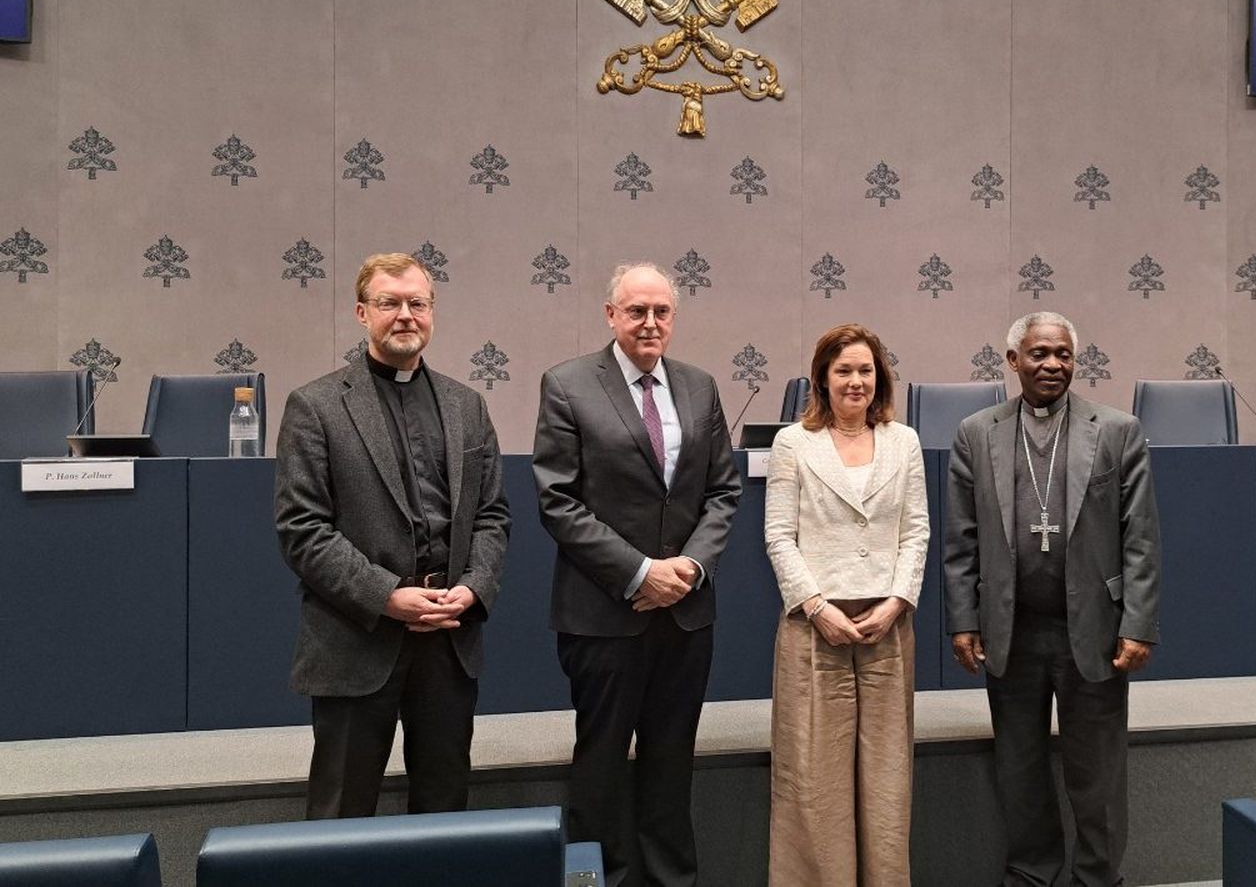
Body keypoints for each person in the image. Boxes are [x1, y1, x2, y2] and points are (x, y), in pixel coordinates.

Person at [275, 251, 510, 819]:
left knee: (444, 814)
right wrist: (386, 596)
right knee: (341, 816)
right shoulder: (316, 405)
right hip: (357, 639)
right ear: (362, 313)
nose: (405, 314)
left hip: (447, 640)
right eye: (389, 303)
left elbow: (493, 515)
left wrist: (474, 587)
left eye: (418, 303)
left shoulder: (466, 405)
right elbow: (302, 528)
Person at [532, 262, 741, 887]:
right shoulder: (568, 384)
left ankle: (672, 879)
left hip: (686, 611)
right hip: (604, 613)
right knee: (600, 764)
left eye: (662, 312)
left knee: (672, 760)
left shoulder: (700, 387)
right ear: (611, 315)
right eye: (637, 311)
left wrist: (692, 567)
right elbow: (557, 499)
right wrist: (640, 572)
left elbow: (723, 493)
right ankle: (603, 878)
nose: (650, 323)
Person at [944, 311, 1161, 887]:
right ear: (1012, 361)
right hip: (1010, 630)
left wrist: (1138, 625)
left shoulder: (1117, 430)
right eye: (1039, 354)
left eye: (1063, 354)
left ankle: (1098, 878)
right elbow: (959, 540)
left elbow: (1140, 538)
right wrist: (963, 620)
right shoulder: (976, 432)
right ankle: (1031, 875)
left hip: (1092, 629)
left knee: (1099, 774)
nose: (1053, 365)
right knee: (1020, 769)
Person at [763, 323, 930, 887]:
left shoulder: (903, 441)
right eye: (844, 371)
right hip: (815, 627)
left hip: (886, 626)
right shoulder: (793, 443)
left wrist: (898, 601)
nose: (856, 381)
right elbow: (778, 536)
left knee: (887, 778)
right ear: (823, 379)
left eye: (865, 370)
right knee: (814, 778)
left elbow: (917, 532)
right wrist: (815, 605)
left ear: (878, 377)